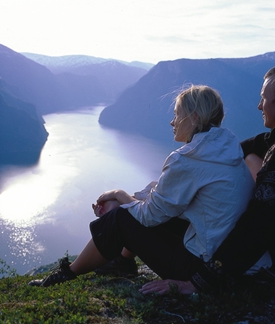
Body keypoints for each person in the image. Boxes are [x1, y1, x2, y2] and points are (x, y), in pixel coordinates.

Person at [144, 62, 275, 294]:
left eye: (264, 98)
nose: (258, 106)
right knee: (248, 159)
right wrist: (202, 158)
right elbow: (250, 147)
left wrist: (198, 283)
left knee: (191, 212)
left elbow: (257, 227)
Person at [28, 85, 255, 289]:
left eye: (177, 115)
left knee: (121, 219)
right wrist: (129, 201)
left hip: (201, 270)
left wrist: (119, 196)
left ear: (194, 118)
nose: (172, 122)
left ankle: (65, 276)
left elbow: (149, 216)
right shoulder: (226, 147)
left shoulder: (188, 158)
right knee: (140, 210)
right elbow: (166, 202)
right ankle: (123, 262)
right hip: (228, 259)